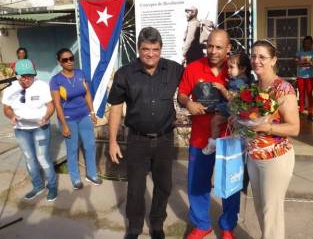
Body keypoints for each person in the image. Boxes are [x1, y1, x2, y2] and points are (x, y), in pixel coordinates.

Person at [108, 27, 183, 239]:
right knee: (135, 188)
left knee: (164, 185)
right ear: (138, 50)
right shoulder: (125, 73)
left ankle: (157, 224)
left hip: (165, 139)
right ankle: (134, 228)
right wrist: (113, 141)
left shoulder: (174, 69)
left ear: (161, 49)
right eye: (146, 49)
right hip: (137, 140)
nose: (151, 54)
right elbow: (115, 107)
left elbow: (192, 83)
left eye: (155, 49)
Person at [178, 29, 239, 239]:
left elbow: (246, 96)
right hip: (200, 138)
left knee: (229, 184)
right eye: (210, 46)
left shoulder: (236, 69)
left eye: (219, 47)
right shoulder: (194, 67)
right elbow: (182, 94)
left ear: (228, 48)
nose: (213, 51)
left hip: (230, 138)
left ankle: (227, 226)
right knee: (197, 183)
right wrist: (189, 103)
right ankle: (202, 224)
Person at [244, 40, 299, 239]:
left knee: (271, 213)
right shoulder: (252, 88)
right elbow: (249, 121)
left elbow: (294, 128)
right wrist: (238, 119)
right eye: (253, 56)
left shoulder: (283, 89)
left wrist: (267, 127)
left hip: (275, 159)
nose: (256, 60)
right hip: (254, 157)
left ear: (273, 60)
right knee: (260, 208)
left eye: (262, 57)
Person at [2, 59, 58, 201]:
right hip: (21, 130)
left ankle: (52, 187)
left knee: (42, 158)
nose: (27, 79)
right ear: (17, 75)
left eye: (30, 76)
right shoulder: (10, 89)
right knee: (29, 159)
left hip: (40, 127)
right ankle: (38, 186)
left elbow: (51, 105)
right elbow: (6, 109)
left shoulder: (42, 86)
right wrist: (12, 116)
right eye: (24, 76)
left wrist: (46, 117)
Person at [50, 48, 102, 190]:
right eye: (65, 60)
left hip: (84, 115)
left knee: (90, 146)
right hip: (68, 118)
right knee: (72, 149)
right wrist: (64, 124)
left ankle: (92, 174)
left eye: (71, 58)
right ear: (59, 62)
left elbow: (87, 94)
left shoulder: (80, 74)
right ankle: (75, 178)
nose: (69, 62)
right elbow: (57, 104)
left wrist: (92, 112)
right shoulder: (56, 80)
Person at [203, 51, 252, 155]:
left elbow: (232, 98)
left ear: (242, 68)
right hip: (236, 110)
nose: (228, 70)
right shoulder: (243, 80)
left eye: (231, 67)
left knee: (215, 121)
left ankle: (213, 144)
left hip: (232, 109)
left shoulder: (239, 82)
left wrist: (222, 88)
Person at [295, 36, 313, 119]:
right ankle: (301, 109)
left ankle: (310, 111)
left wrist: (303, 62)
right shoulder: (299, 52)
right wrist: (307, 62)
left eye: (308, 42)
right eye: (305, 42)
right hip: (300, 76)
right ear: (303, 43)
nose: (307, 44)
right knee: (301, 94)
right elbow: (297, 63)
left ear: (311, 43)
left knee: (309, 94)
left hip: (309, 77)